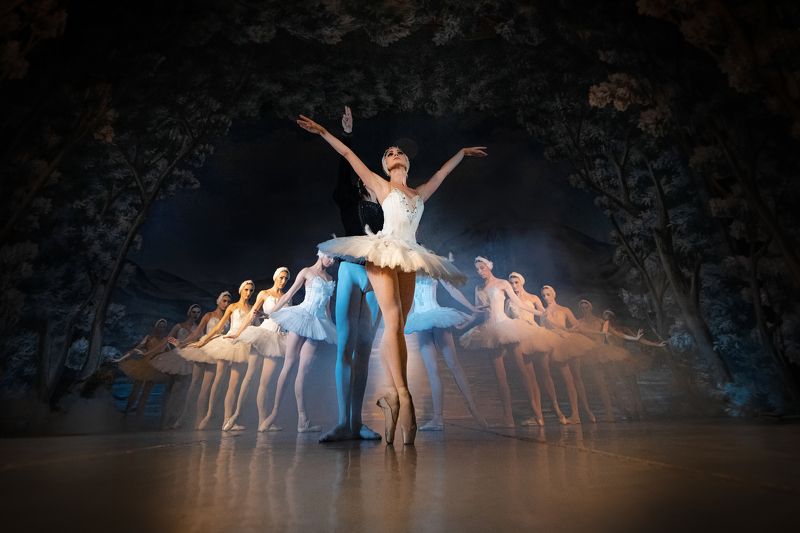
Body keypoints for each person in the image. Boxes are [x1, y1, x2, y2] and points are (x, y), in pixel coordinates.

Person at [298, 113, 486, 445]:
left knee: (397, 327)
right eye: (389, 153)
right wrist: (325, 131)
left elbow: (441, 174)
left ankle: (392, 397)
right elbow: (348, 155)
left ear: (407, 163)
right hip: (383, 252)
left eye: (399, 151)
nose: (395, 153)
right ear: (385, 167)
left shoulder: (419, 193)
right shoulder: (381, 185)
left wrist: (461, 153)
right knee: (393, 317)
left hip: (409, 255)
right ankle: (403, 394)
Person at [320, 107, 384, 443]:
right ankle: (342, 422)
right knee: (345, 346)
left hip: (377, 272)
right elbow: (345, 168)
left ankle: (357, 423)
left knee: (364, 349)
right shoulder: (349, 197)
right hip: (350, 269)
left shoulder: (385, 201)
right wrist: (346, 135)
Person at [460, 257, 546, 427]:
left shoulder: (502, 283)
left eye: (482, 268)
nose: (480, 271)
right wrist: (463, 323)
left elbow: (518, 303)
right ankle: (508, 418)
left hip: (505, 326)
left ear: (489, 267)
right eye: (477, 269)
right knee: (500, 377)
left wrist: (539, 313)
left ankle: (538, 414)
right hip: (490, 330)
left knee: (522, 370)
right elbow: (477, 311)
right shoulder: (478, 288)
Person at [260, 252, 337, 433]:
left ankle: (303, 420)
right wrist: (272, 313)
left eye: (335, 259)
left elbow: (327, 308)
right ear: (321, 254)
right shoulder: (307, 271)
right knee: (288, 365)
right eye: (330, 257)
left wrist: (331, 328)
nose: (332, 261)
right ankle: (274, 414)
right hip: (301, 317)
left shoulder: (330, 278)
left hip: (318, 324)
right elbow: (288, 295)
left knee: (304, 370)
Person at [405, 272, 486, 430]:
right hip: (420, 319)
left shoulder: (433, 268)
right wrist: (407, 320)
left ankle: (474, 410)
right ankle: (438, 419)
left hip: (436, 315)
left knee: (453, 364)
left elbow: (451, 289)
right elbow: (410, 301)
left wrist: (471, 307)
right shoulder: (409, 270)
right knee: (434, 370)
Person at [223, 267, 291, 431]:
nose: (283, 281)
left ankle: (263, 421)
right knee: (249, 376)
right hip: (262, 334)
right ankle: (235, 415)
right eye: (281, 277)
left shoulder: (288, 297)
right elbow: (251, 315)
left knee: (265, 382)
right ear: (275, 277)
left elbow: (288, 319)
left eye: (286, 279)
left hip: (277, 339)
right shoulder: (264, 293)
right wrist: (238, 333)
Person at [192, 280, 255, 430]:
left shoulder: (253, 308)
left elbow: (256, 326)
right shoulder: (232, 307)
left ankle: (227, 420)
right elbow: (219, 327)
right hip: (228, 342)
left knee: (234, 384)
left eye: (251, 290)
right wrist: (203, 341)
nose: (248, 293)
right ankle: (208, 415)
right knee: (218, 380)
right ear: (241, 290)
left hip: (242, 344)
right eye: (246, 289)